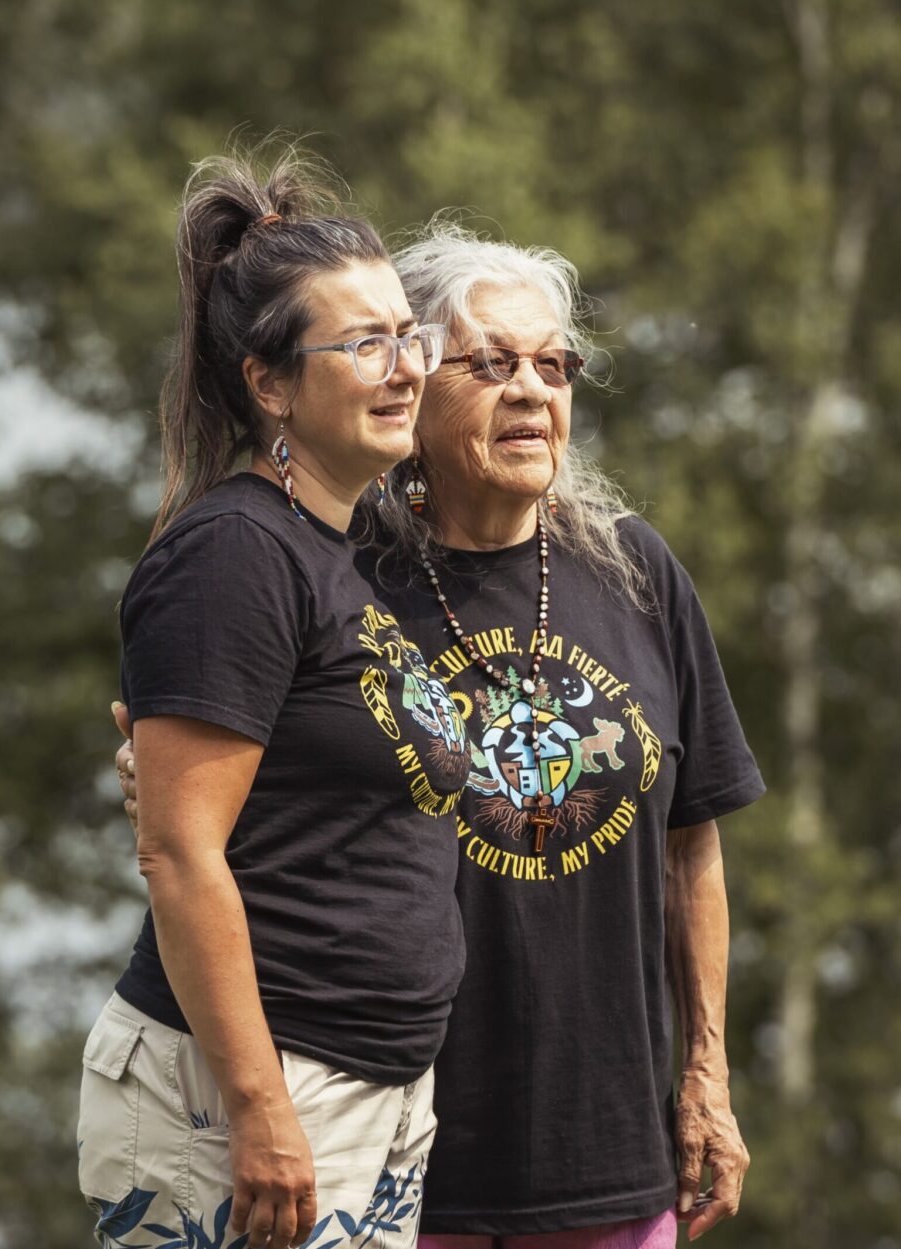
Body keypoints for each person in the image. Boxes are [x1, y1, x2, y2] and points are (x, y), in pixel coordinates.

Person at [113, 219, 764, 1249]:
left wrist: (707, 1074)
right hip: (388, 1129)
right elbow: (207, 794)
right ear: (419, 379)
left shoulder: (637, 571)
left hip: (606, 1143)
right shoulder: (332, 564)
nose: (531, 390)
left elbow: (693, 843)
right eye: (492, 362)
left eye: (553, 364)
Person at [79, 147, 473, 1249]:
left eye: (410, 335)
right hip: (244, 1101)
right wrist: (261, 1113)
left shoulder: (358, 551)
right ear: (268, 383)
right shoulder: (235, 555)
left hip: (376, 1097)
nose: (405, 368)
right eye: (364, 345)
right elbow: (179, 853)